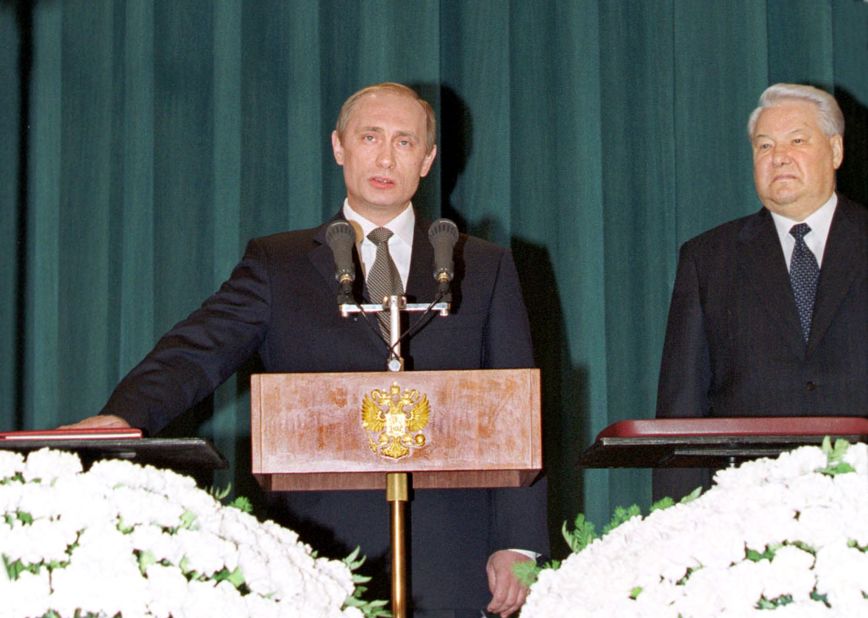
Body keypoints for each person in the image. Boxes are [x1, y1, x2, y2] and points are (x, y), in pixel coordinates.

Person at [65, 82, 548, 617]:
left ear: (428, 159)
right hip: (317, 551)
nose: (386, 156)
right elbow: (195, 351)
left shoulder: (481, 265)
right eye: (370, 137)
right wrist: (123, 415)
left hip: (454, 547)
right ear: (339, 147)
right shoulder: (280, 263)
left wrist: (519, 543)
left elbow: (516, 410)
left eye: (405, 142)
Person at [654, 83, 867, 500]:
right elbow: (682, 405)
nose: (779, 157)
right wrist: (676, 518)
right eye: (764, 146)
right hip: (748, 510)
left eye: (797, 141)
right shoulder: (708, 259)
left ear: (836, 150)